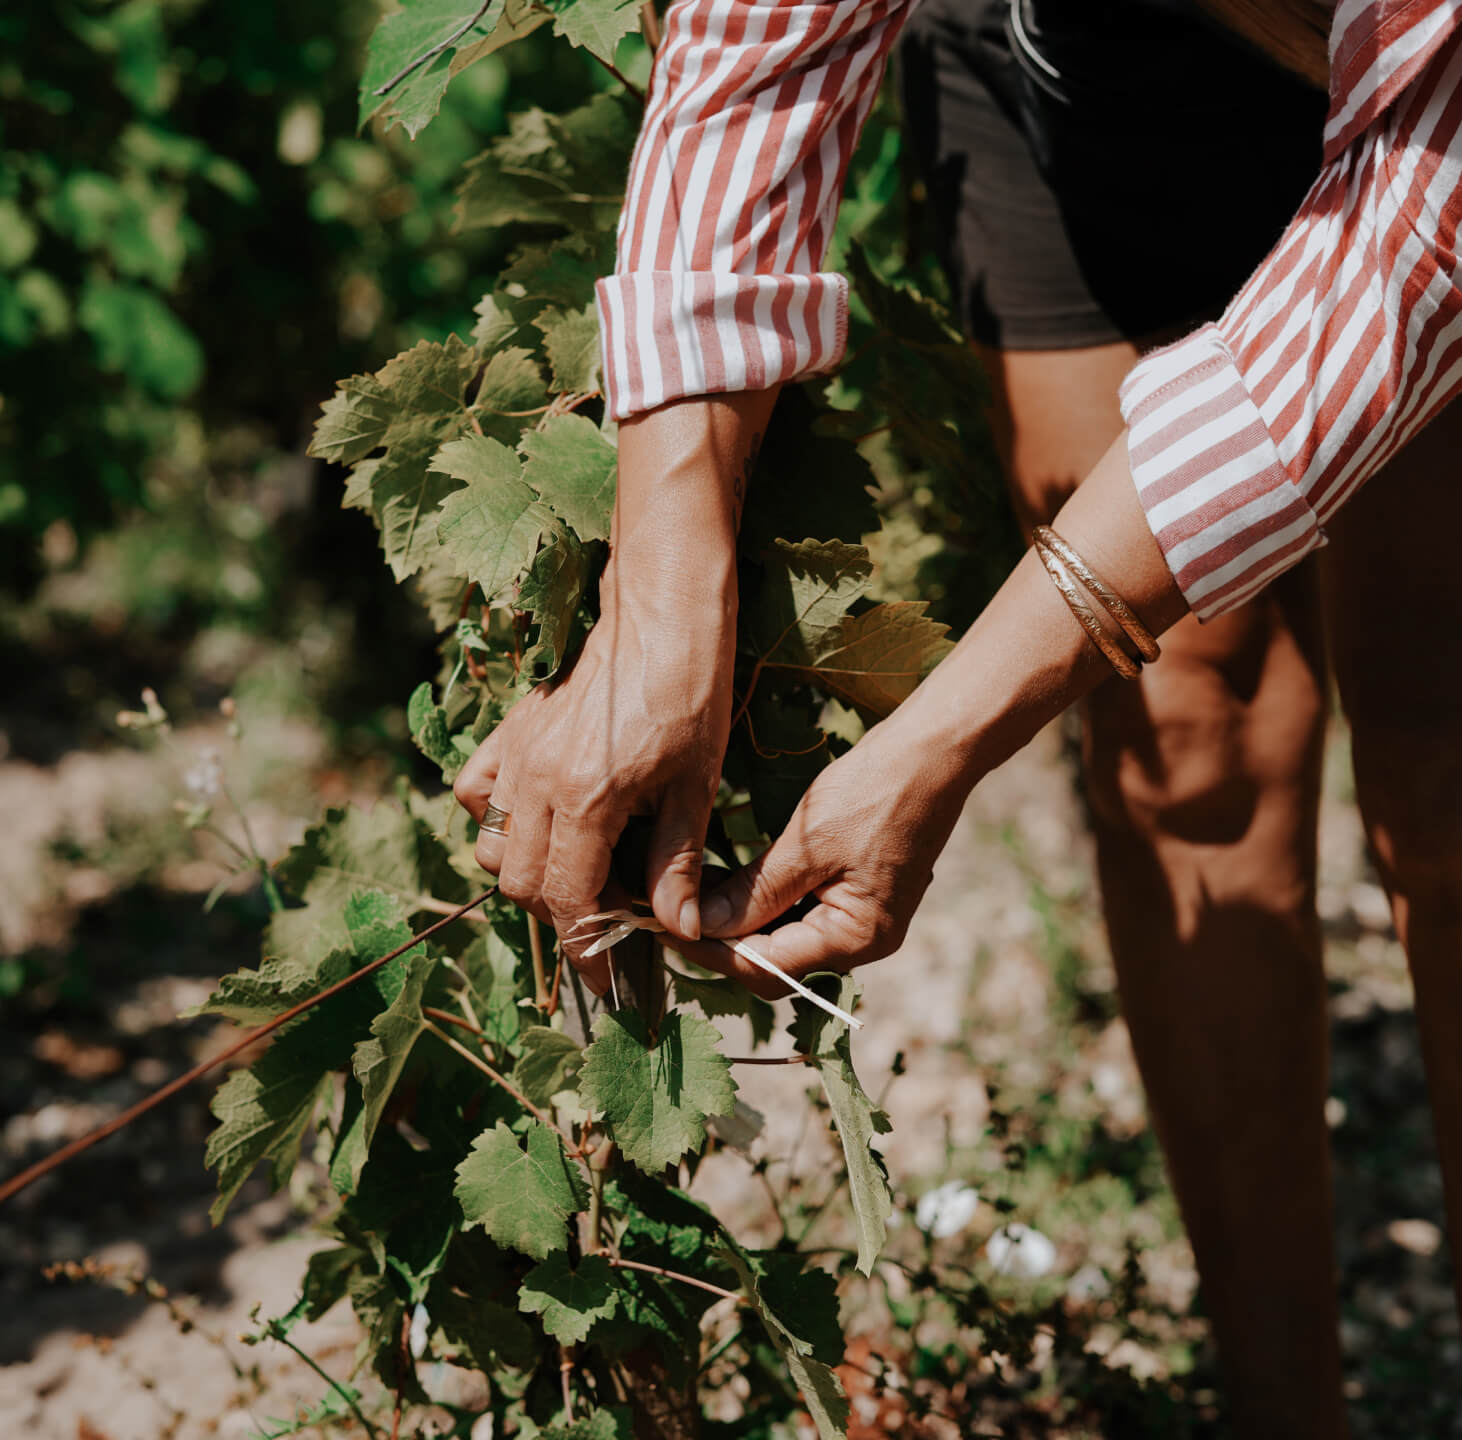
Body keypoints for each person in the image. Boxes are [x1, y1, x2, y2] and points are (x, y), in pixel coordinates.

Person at [453, 1, 1462, 1430]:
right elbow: (763, 54)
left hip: (1413, 133)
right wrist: (656, 607)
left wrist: (930, 745)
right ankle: (1280, 1412)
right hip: (1072, 75)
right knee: (1179, 733)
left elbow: (1392, 285)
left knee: (1442, 763)